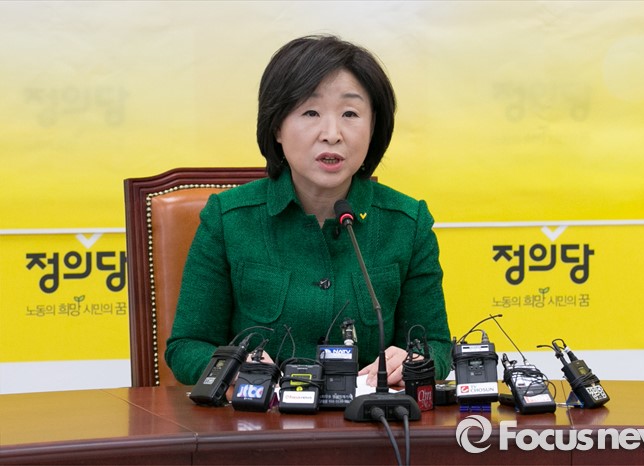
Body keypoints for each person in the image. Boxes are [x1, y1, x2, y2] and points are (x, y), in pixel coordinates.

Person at [165, 34, 452, 388]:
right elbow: (187, 347)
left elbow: (436, 346)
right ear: (277, 127)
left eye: (350, 114)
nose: (331, 134)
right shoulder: (227, 219)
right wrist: (234, 369)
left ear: (373, 127)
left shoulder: (407, 223)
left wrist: (414, 362)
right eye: (311, 112)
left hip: (370, 418)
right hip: (259, 417)